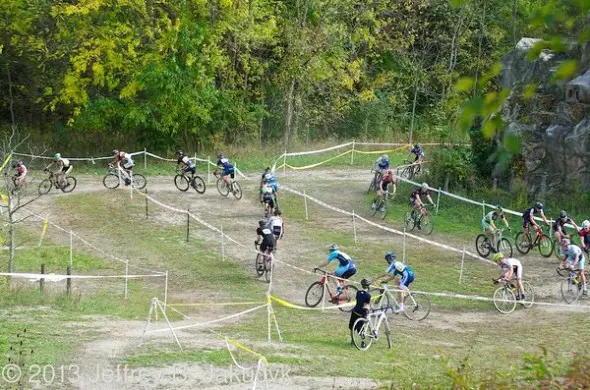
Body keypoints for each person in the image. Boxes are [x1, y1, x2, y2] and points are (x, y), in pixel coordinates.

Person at [349, 278, 372, 346]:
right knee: (360, 329)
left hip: (355, 311)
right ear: (368, 286)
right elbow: (365, 305)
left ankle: (352, 341)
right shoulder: (368, 296)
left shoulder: (358, 292)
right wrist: (367, 312)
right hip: (361, 314)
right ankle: (363, 342)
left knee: (352, 327)